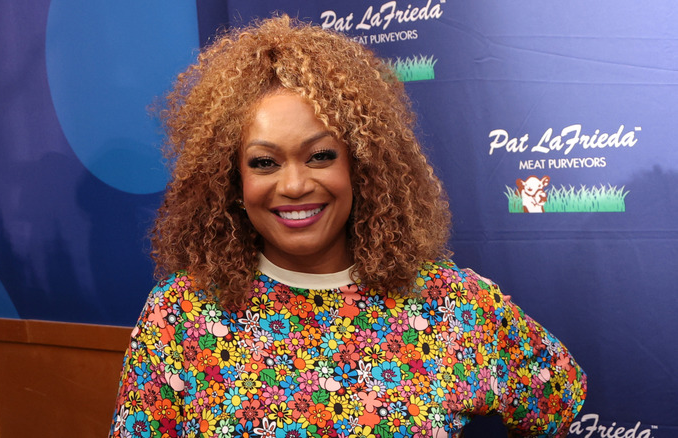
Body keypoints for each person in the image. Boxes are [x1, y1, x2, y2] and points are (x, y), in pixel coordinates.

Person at [109, 15, 586, 438]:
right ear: (231, 181)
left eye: (320, 155)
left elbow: (559, 398)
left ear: (360, 166)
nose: (294, 185)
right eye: (264, 162)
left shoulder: (453, 305)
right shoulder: (181, 316)